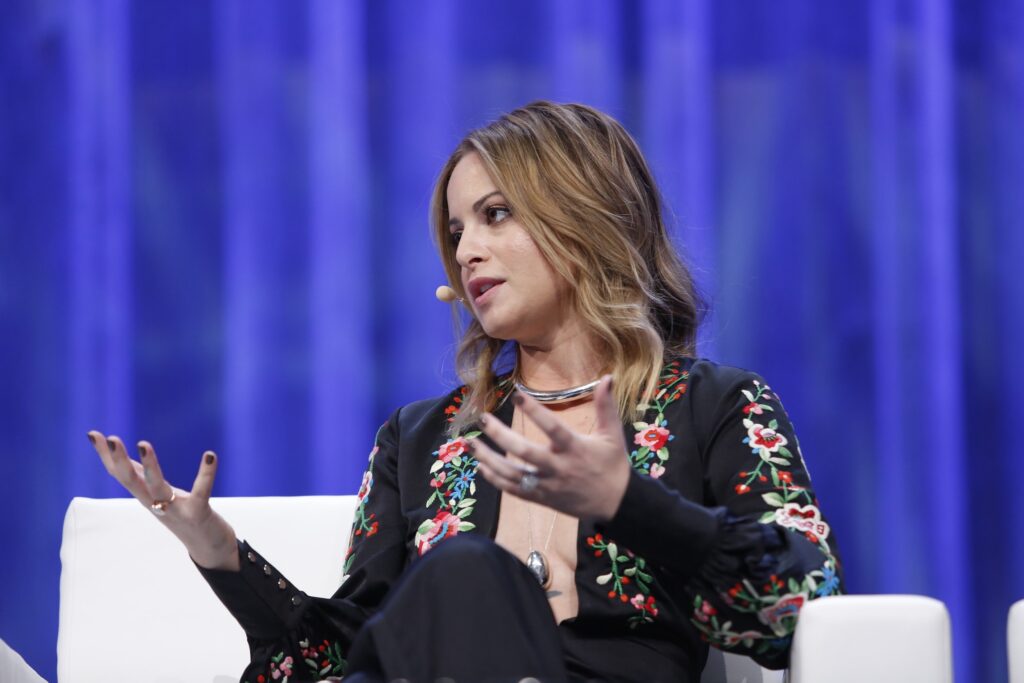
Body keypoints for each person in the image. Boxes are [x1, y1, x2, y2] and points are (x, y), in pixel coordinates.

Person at [88, 101, 841, 683]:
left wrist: (627, 501)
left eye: (495, 214)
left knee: (467, 569)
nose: (467, 249)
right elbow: (347, 653)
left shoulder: (714, 406)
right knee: (459, 579)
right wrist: (224, 558)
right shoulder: (422, 438)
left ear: (582, 216)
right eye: (456, 229)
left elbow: (796, 600)